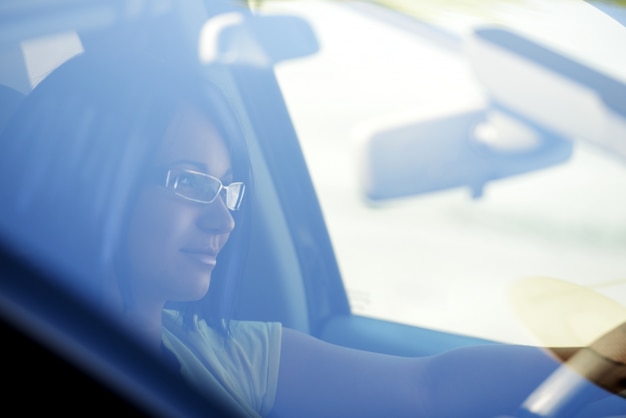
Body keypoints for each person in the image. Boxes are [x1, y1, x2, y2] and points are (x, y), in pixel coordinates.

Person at [0, 45, 617, 418]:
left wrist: (594, 360)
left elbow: (427, 389)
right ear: (91, 180)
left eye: (227, 187)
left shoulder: (219, 350)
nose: (225, 218)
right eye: (189, 182)